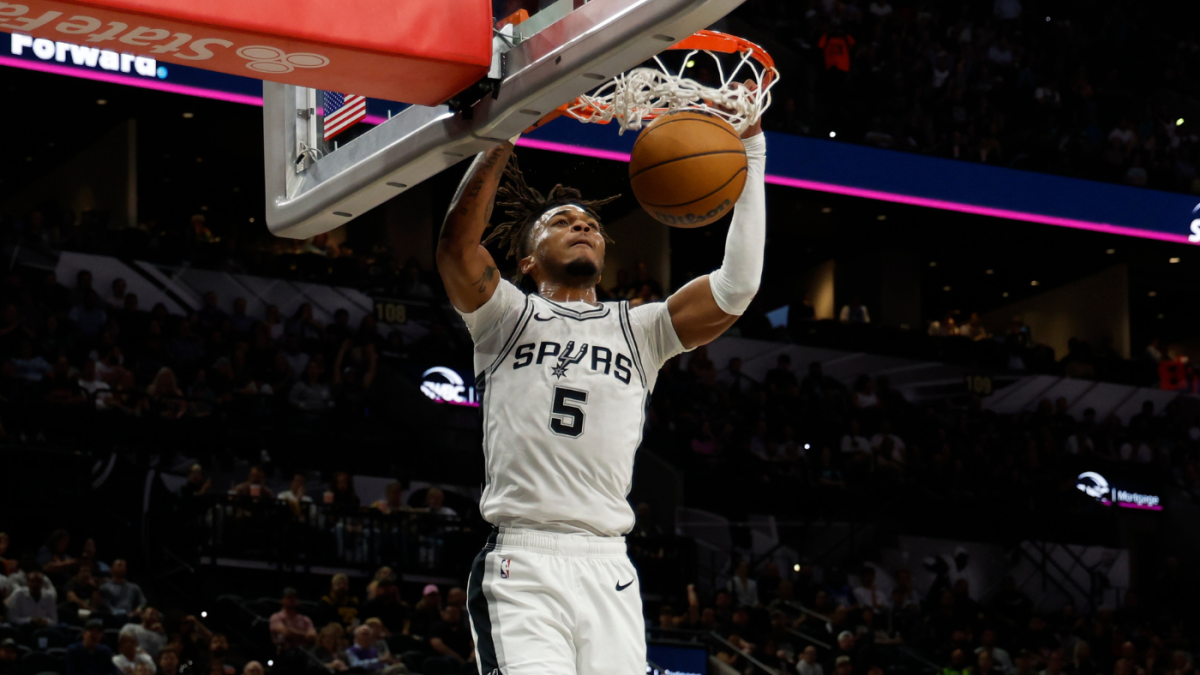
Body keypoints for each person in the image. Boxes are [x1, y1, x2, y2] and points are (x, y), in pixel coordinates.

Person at [436, 114, 766, 675]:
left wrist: (752, 154)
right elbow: (455, 246)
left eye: (590, 223)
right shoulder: (505, 316)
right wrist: (505, 129)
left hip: (608, 564)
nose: (581, 226)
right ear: (526, 259)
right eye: (561, 221)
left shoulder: (641, 329)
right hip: (525, 558)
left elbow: (737, 288)